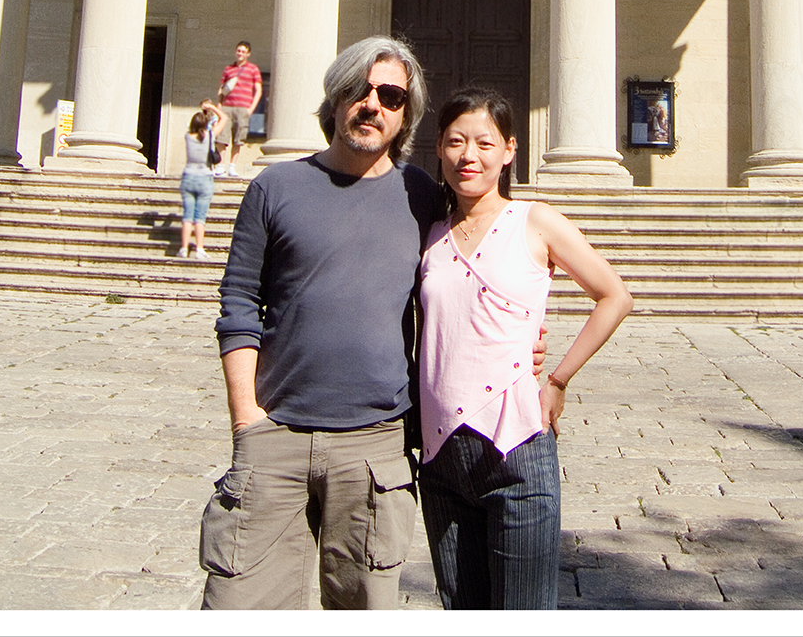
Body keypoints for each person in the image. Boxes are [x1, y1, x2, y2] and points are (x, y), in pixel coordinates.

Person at [199, 37, 545, 610]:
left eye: (390, 96)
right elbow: (238, 302)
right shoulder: (274, 188)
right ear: (335, 99)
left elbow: (470, 275)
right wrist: (246, 420)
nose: (372, 104)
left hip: (377, 445)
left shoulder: (422, 196)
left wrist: (518, 343)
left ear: (406, 115)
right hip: (274, 436)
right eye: (358, 90)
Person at [417, 87, 634, 610]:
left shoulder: (535, 221)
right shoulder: (430, 234)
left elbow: (614, 296)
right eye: (455, 142)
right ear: (439, 148)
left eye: (484, 143)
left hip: (516, 448)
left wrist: (557, 379)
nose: (468, 156)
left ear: (509, 150)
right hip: (441, 457)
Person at [178, 100, 227, 260]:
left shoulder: (188, 136)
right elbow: (224, 118)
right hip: (205, 178)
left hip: (188, 177)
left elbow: (193, 128)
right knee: (200, 217)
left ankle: (184, 248)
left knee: (187, 216)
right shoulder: (210, 136)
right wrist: (211, 107)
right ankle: (199, 248)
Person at [216, 41, 263, 177]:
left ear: (248, 54)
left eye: (243, 51)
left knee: (238, 139)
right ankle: (220, 166)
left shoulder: (253, 69)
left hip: (243, 107)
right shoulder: (228, 69)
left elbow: (258, 90)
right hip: (227, 107)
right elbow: (222, 88)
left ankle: (232, 166)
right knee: (221, 137)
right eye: (238, 51)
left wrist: (251, 108)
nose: (240, 53)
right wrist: (219, 105)